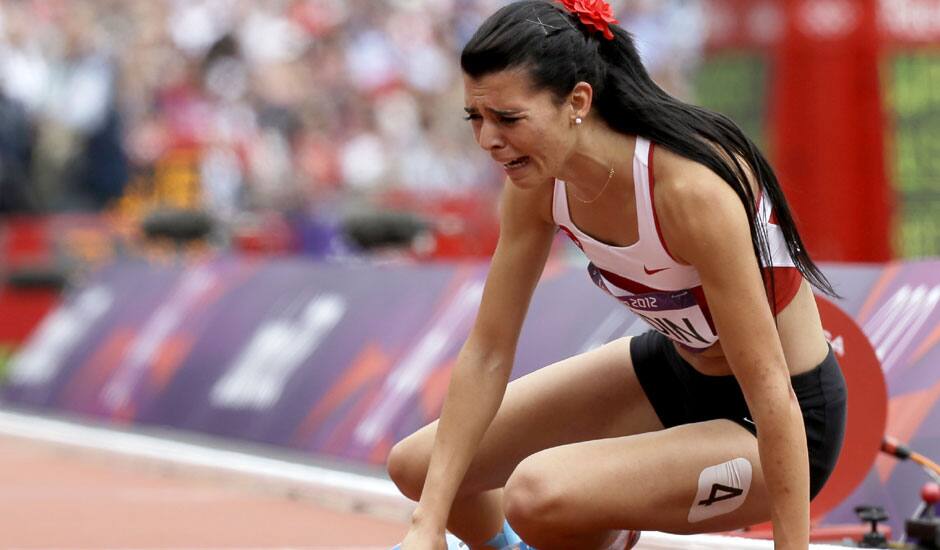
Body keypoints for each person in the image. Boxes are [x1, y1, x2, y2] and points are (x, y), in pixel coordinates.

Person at [387, 1, 847, 549]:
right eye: (476, 118)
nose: (488, 139)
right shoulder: (535, 187)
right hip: (676, 374)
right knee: (418, 468)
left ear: (578, 101)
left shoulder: (688, 191)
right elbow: (487, 351)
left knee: (536, 493)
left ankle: (597, 521)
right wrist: (428, 524)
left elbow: (771, 387)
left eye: (508, 119)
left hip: (776, 421)